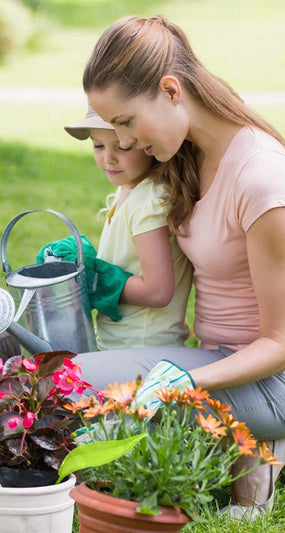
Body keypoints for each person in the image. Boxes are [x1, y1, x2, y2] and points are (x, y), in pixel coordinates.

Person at [74, 14, 285, 519]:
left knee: (72, 389)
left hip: (267, 381)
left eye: (125, 122)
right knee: (53, 375)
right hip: (211, 358)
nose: (122, 142)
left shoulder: (261, 180)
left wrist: (188, 381)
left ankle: (262, 451)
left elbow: (280, 343)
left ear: (171, 91)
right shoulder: (188, 153)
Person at [0, 106, 193, 368]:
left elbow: (158, 291)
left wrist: (93, 278)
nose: (109, 159)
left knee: (38, 382)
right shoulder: (130, 191)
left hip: (142, 354)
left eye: (122, 147)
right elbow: (127, 260)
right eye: (98, 146)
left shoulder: (149, 200)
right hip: (115, 347)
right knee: (3, 332)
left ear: (148, 144)